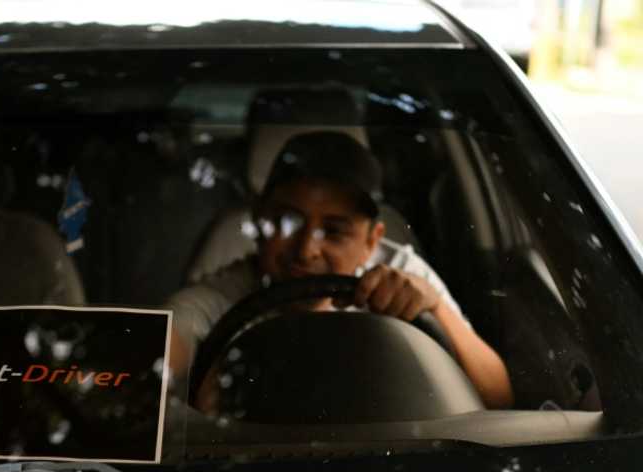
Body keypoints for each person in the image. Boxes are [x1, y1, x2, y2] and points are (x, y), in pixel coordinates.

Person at [168, 131, 514, 409]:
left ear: (372, 240)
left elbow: (497, 399)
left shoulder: (403, 273)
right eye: (288, 222)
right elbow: (156, 368)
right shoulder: (220, 298)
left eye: (334, 231)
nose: (306, 250)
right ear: (261, 221)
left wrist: (435, 306)